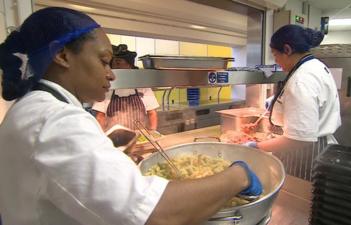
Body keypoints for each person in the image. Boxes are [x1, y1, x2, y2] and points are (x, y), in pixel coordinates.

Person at [0, 7, 265, 225]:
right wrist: (237, 176)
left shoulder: (34, 108)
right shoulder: (55, 120)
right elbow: (155, 214)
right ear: (62, 55)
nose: (111, 74)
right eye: (104, 61)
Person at [245, 25, 341, 181]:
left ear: (287, 50)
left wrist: (257, 147)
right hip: (320, 148)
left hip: (304, 157)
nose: (276, 61)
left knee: (296, 200)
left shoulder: (301, 80)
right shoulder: (315, 66)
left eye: (275, 55)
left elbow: (298, 140)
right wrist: (279, 103)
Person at [92, 44, 159, 131]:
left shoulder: (142, 86)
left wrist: (152, 133)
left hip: (140, 137)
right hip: (115, 139)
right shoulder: (107, 87)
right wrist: (102, 137)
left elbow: (152, 113)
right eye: (113, 63)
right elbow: (100, 117)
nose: (114, 66)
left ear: (129, 66)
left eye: (118, 63)